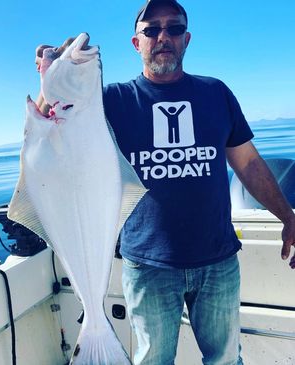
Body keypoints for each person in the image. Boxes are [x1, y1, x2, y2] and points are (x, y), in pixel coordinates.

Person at [101, 1, 295, 364]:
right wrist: (52, 73)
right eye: (151, 29)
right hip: (147, 264)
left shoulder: (215, 93)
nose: (163, 37)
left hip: (217, 260)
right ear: (135, 42)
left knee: (224, 359)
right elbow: (55, 119)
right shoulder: (113, 100)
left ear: (186, 39)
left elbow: (249, 164)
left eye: (173, 29)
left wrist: (288, 216)